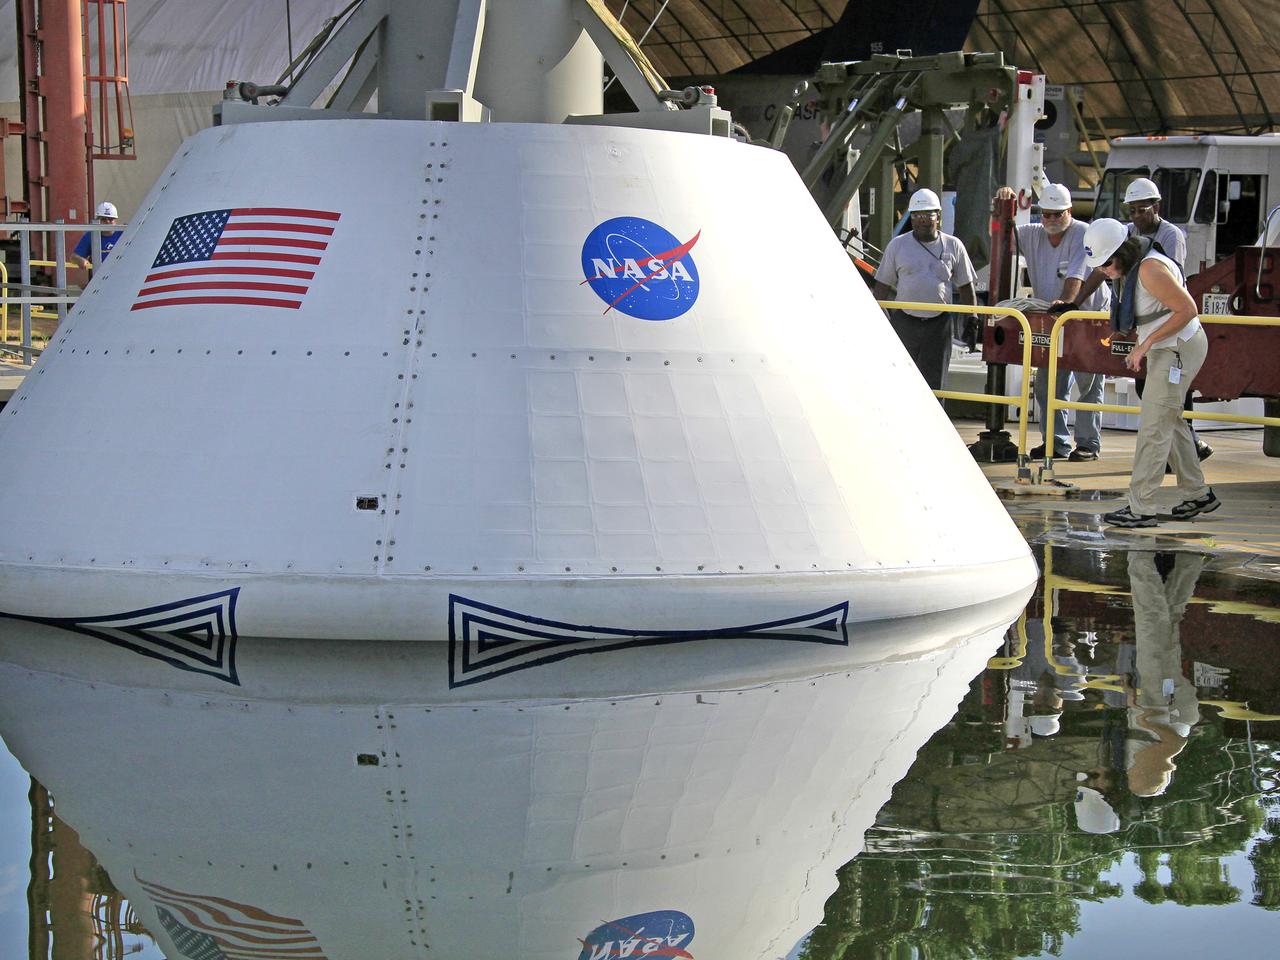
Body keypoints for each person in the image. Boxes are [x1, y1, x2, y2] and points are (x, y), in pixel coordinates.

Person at [1056, 178, 1211, 461]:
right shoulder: (1124, 234)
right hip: (1148, 326)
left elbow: (1171, 291)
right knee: (1158, 400)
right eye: (1133, 210)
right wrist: (1074, 303)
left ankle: (1175, 458)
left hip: (1169, 326)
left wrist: (1144, 337)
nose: (1138, 216)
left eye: (1143, 209)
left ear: (1157, 207)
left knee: (1168, 404)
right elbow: (1103, 273)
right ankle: (1189, 469)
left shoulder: (1166, 242)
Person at [1082, 219, 1220, 527]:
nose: (1103, 270)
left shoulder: (1150, 269)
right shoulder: (1132, 268)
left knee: (1153, 430)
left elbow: (1187, 310)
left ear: (1123, 251)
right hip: (1169, 347)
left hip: (1177, 350)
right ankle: (1197, 493)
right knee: (1168, 420)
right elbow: (1153, 311)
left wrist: (1144, 345)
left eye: (1106, 263)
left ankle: (1140, 507)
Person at [996, 182, 1110, 461]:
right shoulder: (1033, 233)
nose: (1050, 219)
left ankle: (1087, 444)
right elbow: (1001, 239)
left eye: (1057, 214)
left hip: (1085, 318)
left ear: (1069, 211)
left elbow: (1075, 280)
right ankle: (1055, 443)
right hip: (1053, 318)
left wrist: (1065, 305)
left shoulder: (1082, 233)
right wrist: (1001, 210)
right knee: (1048, 384)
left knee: (1089, 383)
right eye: (1045, 214)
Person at [872, 188, 978, 391]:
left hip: (939, 326)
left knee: (935, 386)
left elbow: (966, 286)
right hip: (905, 323)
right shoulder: (897, 246)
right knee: (900, 382)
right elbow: (881, 287)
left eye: (927, 215)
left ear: (938, 216)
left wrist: (973, 320)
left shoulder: (953, 246)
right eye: (917, 215)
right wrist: (882, 321)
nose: (922, 220)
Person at [71, 201, 123, 269]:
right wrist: (80, 260)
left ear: (115, 221)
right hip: (99, 277)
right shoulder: (91, 236)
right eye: (103, 219)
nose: (107, 222)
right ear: (97, 220)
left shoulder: (124, 234)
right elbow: (73, 257)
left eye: (110, 219)